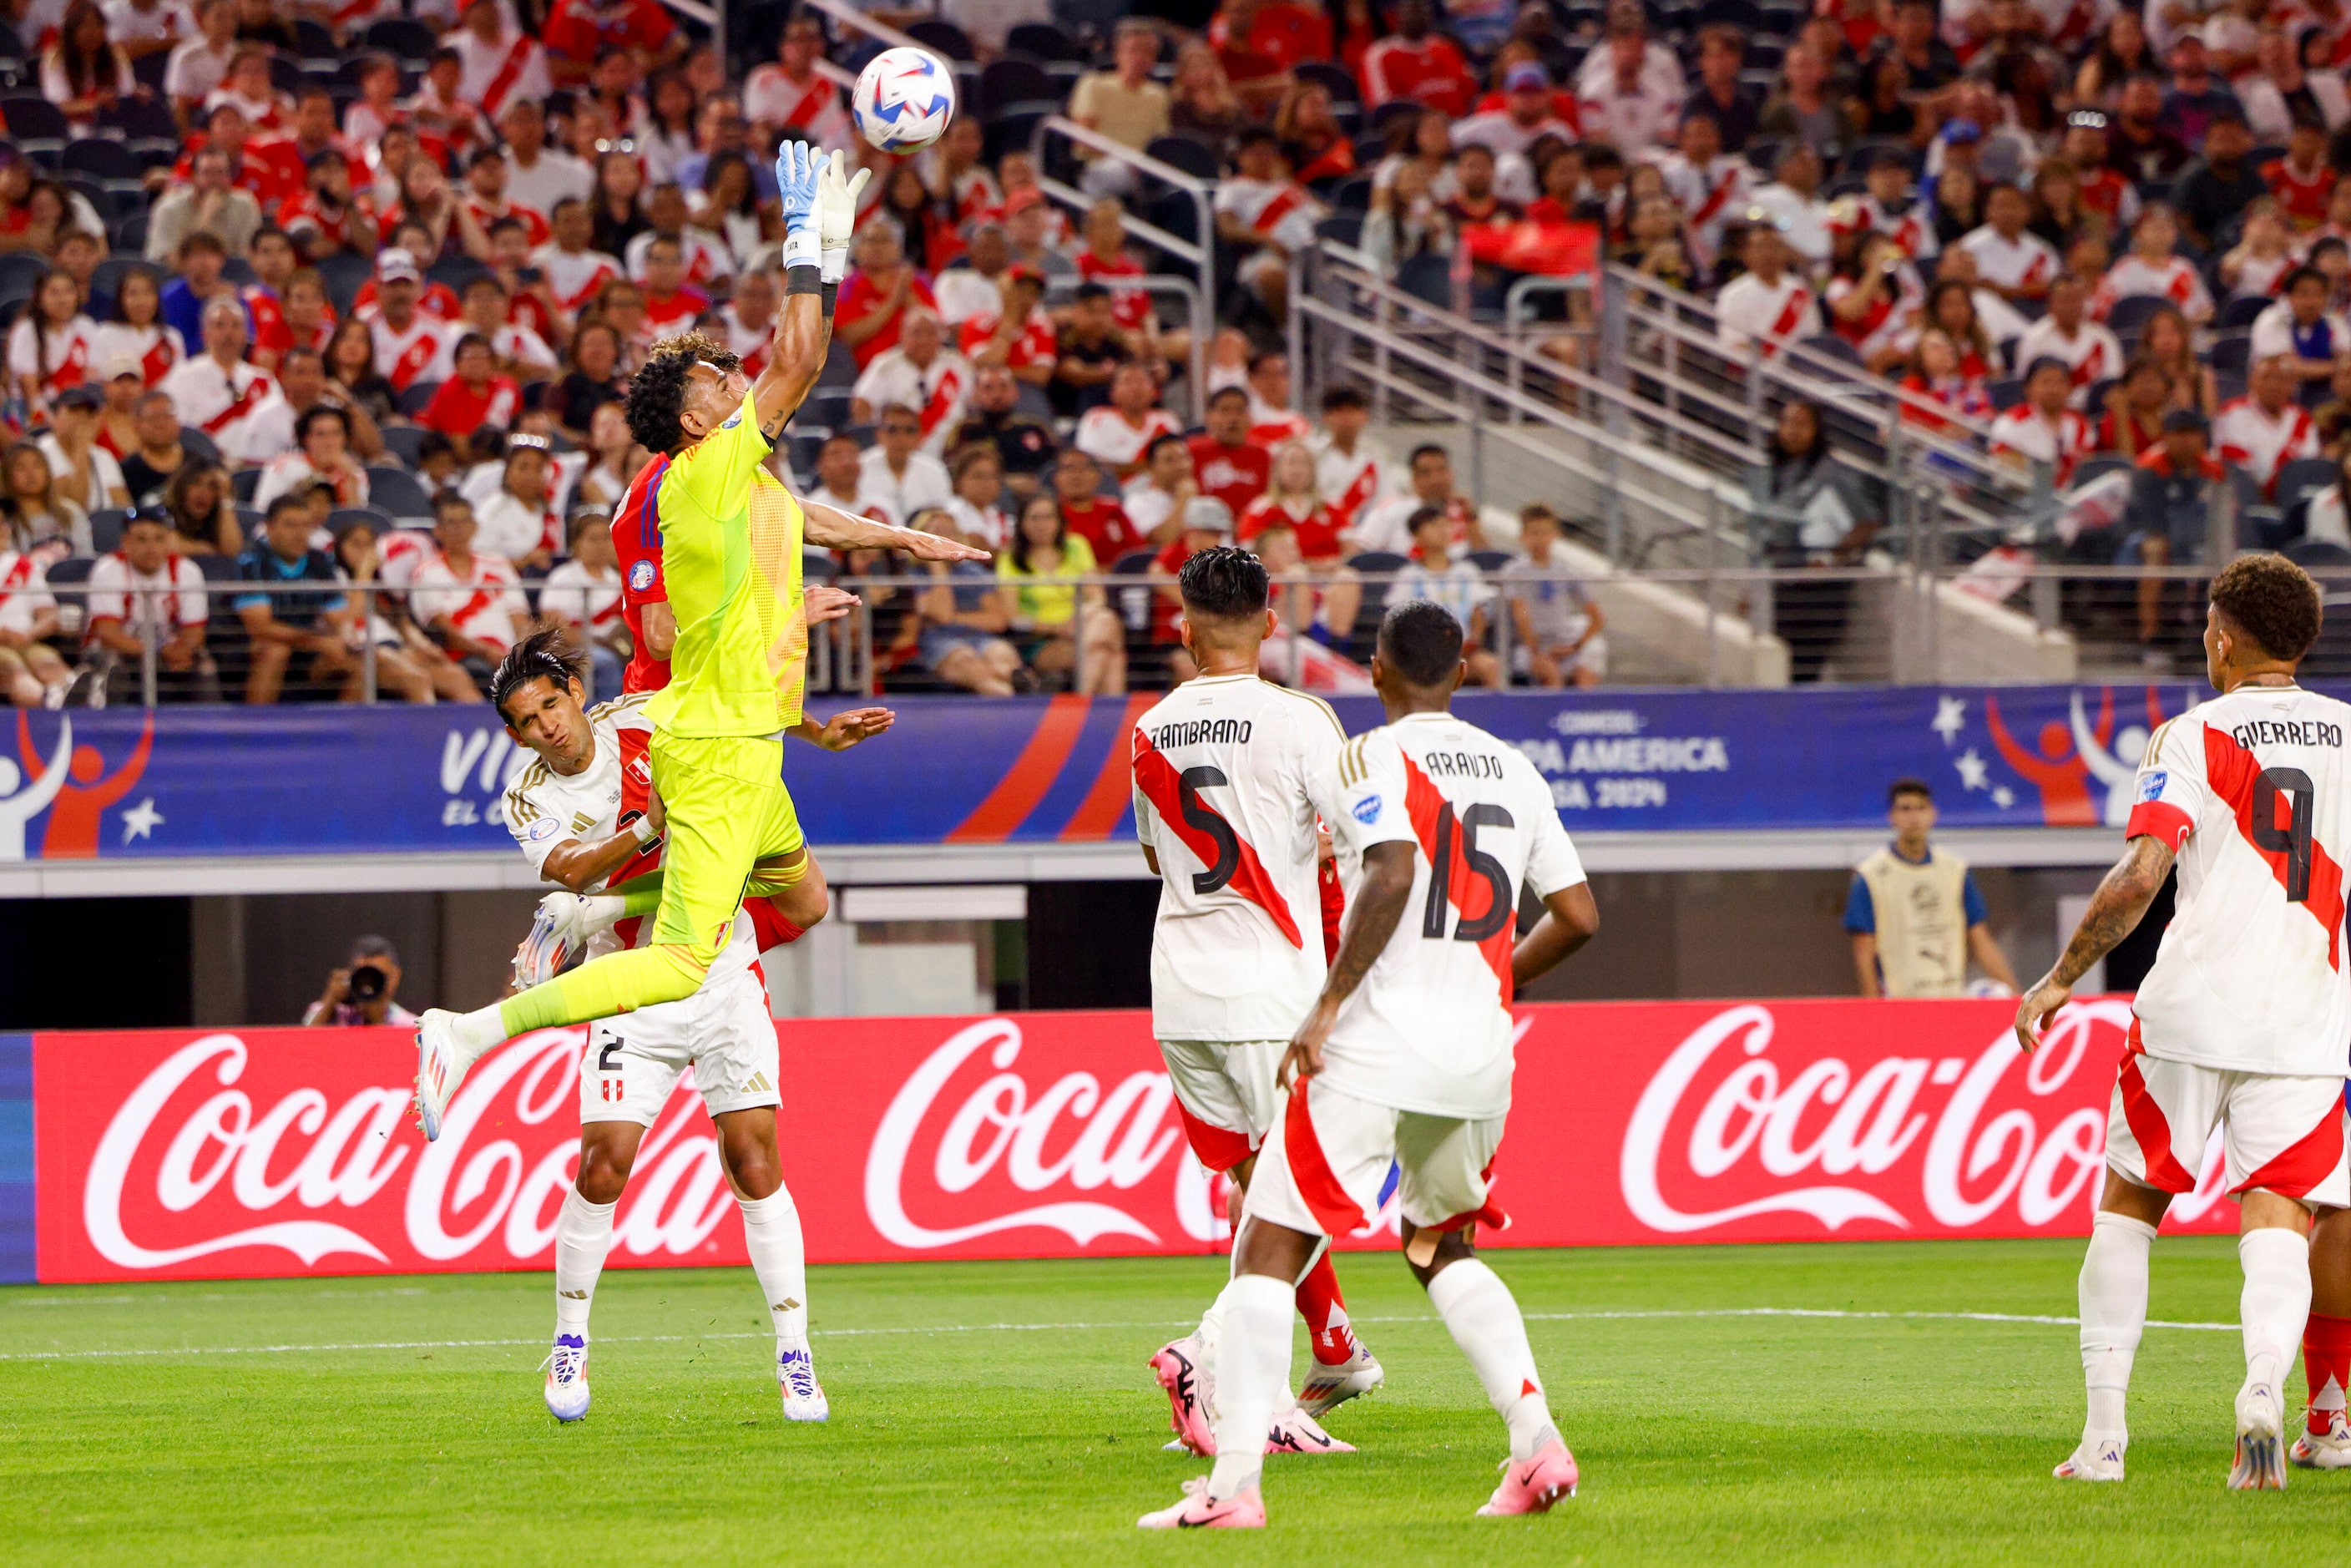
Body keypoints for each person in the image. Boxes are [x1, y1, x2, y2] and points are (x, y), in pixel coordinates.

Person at [412, 149, 988, 1140]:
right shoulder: (696, 474)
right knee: (681, 958)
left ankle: (594, 912)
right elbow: (801, 361)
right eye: (721, 379)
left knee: (805, 901)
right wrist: (812, 243)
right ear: (694, 418)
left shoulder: (738, 482)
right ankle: (469, 1030)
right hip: (713, 749)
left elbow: (803, 514)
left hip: (747, 743)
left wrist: (896, 538)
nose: (737, 379)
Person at [1140, 598, 1600, 1529]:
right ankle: (1535, 1442)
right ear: (1462, 673)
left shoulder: (1363, 754)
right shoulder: (1516, 770)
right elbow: (1582, 917)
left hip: (1377, 1043)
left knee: (1268, 1246)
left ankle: (1232, 1490)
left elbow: (1388, 871)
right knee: (1438, 1244)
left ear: (1377, 675)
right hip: (1477, 1048)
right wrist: (1493, 978)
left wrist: (1330, 1002)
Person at [2015, 554, 2347, 1489]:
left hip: (2188, 1012)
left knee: (2129, 1204)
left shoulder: (2189, 735)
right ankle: (2258, 1393)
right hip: (2304, 1020)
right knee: (2279, 1216)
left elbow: (2138, 876)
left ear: (2223, 637)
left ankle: (2103, 1442)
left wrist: (2056, 979)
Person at [490, 630, 871, 1426]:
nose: (546, 728)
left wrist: (818, 734)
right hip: (631, 987)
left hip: (723, 969)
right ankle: (568, 1342)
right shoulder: (528, 794)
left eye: (551, 705)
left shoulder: (643, 715)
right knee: (604, 1165)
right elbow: (570, 871)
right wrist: (647, 830)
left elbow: (740, 707)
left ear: (571, 692)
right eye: (526, 721)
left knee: (754, 1158)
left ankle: (796, 1358)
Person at [1135, 544, 1378, 1468]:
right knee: (1309, 1192)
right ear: (1271, 623)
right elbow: (1356, 843)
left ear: (1183, 628)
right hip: (1272, 997)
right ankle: (1204, 1355)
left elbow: (1159, 859)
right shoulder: (1299, 719)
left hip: (1181, 997)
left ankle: (1272, 1392)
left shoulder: (1150, 725)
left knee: (1254, 1190)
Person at [1846, 777, 2016, 998]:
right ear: (1892, 817)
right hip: (1901, 1001)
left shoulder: (1954, 870)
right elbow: (1864, 952)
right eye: (1905, 809)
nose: (1913, 816)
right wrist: (1873, 1008)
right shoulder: (1871, 876)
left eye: (1920, 808)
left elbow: (1981, 940)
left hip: (1951, 997)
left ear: (1933, 814)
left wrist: (2016, 997)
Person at [84, 509, 216, 702]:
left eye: (159, 539)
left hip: (169, 652)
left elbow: (195, 632)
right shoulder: (108, 570)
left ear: (170, 541)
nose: (151, 548)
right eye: (142, 540)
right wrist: (156, 653)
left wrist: (182, 651)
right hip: (120, 651)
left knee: (204, 667)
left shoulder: (188, 571)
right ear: (126, 542)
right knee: (113, 667)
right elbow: (108, 634)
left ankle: (211, 728)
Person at [235, 493, 352, 704]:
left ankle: (341, 732)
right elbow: (261, 627)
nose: (300, 534)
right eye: (290, 525)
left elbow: (339, 618)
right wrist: (318, 641)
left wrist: (339, 641)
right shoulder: (251, 560)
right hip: (252, 651)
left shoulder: (319, 560)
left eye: (305, 526)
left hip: (306, 648)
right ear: (269, 527)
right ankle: (257, 730)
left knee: (355, 660)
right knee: (275, 651)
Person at [1501, 504, 1605, 687]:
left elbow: (1596, 616)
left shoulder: (1566, 571)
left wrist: (1575, 647)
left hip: (1566, 645)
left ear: (1556, 534)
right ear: (1523, 537)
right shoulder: (1514, 572)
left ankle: (1583, 711)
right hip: (1531, 647)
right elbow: (1521, 613)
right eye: (1534, 533)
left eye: (1545, 533)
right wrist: (1536, 649)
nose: (1540, 539)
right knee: (1550, 671)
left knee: (1592, 656)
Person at [301, 936, 417, 1027]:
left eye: (378, 976)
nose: (369, 985)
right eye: (363, 975)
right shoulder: (331, 1011)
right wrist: (329, 1004)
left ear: (396, 976)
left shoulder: (409, 1025)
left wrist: (378, 1021)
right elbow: (301, 1047)